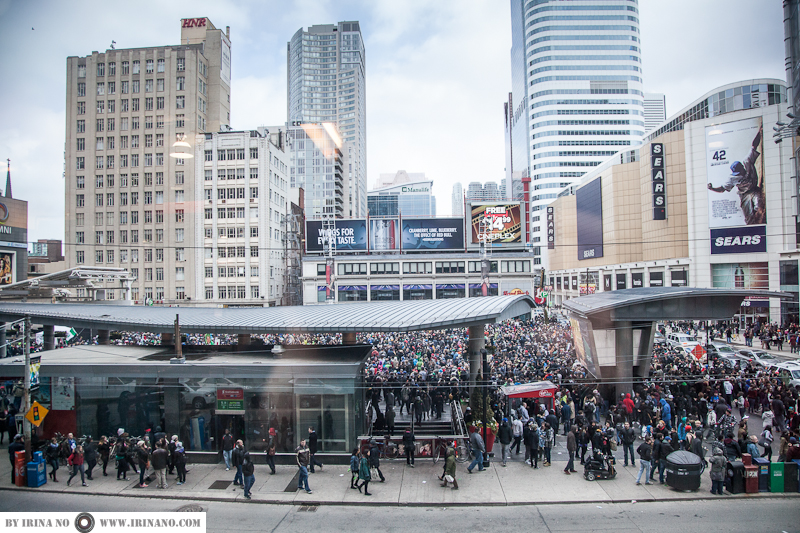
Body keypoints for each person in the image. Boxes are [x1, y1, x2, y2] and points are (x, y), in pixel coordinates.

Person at [707, 125, 766, 225]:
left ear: (742, 167)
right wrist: (711, 188)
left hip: (754, 189)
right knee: (749, 219)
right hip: (744, 195)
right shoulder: (732, 178)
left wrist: (760, 132)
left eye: (739, 172)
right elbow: (722, 189)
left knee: (760, 208)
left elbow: (754, 145)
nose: (739, 175)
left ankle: (761, 221)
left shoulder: (747, 161)